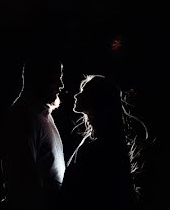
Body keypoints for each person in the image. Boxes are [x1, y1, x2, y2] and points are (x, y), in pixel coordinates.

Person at [59, 75, 144, 209]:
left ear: (95, 99)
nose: (76, 95)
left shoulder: (102, 144)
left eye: (83, 91)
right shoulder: (94, 139)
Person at [0, 56, 66, 210]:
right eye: (57, 79)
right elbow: (23, 183)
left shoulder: (43, 116)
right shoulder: (23, 117)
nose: (61, 85)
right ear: (39, 80)